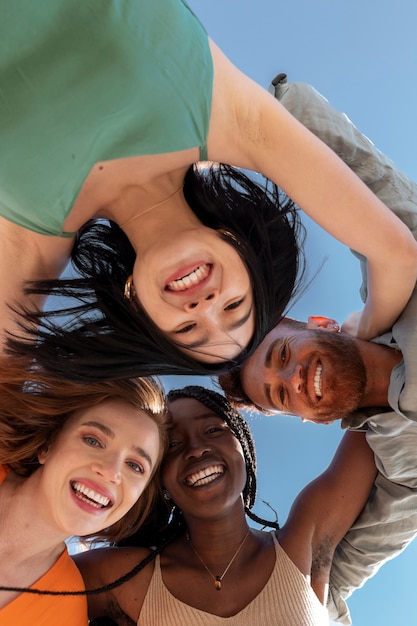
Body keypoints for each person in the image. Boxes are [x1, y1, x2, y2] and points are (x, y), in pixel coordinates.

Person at [2, 1, 417, 382]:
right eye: (234, 307)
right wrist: (362, 333)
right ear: (239, 246)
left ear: (137, 306)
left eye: (187, 329)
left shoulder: (32, 240)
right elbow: (397, 254)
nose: (204, 308)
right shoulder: (233, 121)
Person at [218, 75, 417, 622]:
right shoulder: (400, 464)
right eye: (283, 396)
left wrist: (272, 110)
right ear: (308, 418)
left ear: (321, 325)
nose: (297, 379)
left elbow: (364, 177)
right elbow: (335, 576)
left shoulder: (407, 282)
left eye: (283, 356)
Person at [74, 386, 376, 625]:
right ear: (160, 479)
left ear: (243, 448)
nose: (196, 449)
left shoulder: (302, 544)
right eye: (174, 445)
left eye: (213, 430)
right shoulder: (121, 577)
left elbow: (377, 404)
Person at [0, 356, 167, 624]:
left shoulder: (66, 613)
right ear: (47, 445)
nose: (111, 472)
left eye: (135, 466)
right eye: (93, 440)